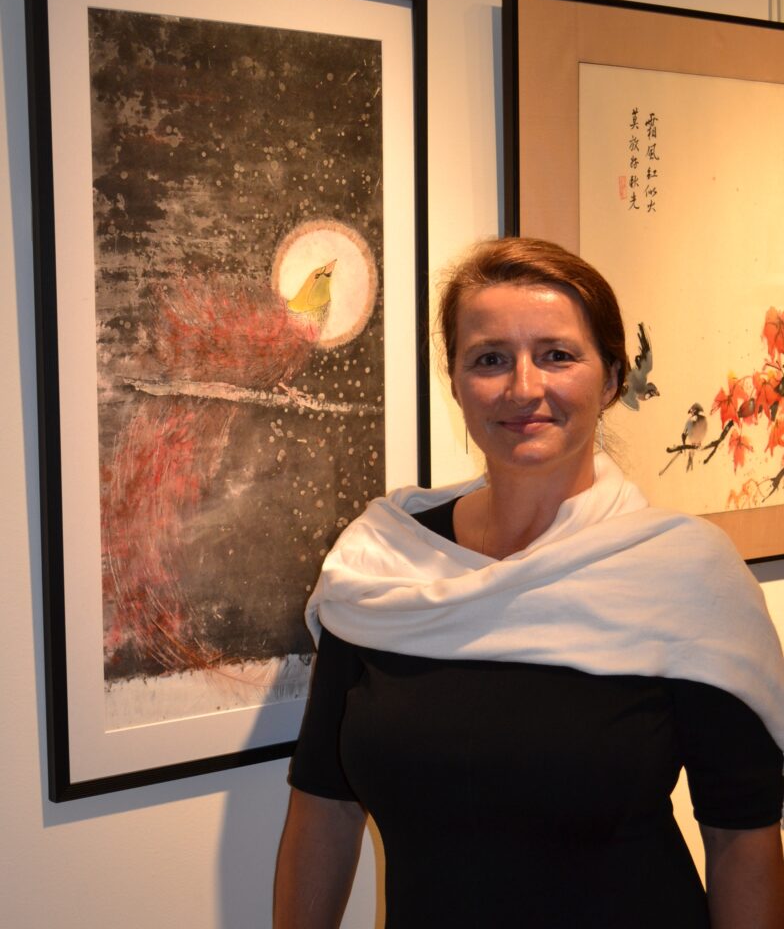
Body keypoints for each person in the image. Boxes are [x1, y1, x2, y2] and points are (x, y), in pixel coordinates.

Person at [274, 238, 784, 928]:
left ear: (611, 379)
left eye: (557, 355)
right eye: (489, 359)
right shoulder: (382, 563)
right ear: (456, 381)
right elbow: (325, 805)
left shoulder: (684, 576)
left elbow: (741, 838)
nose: (522, 387)